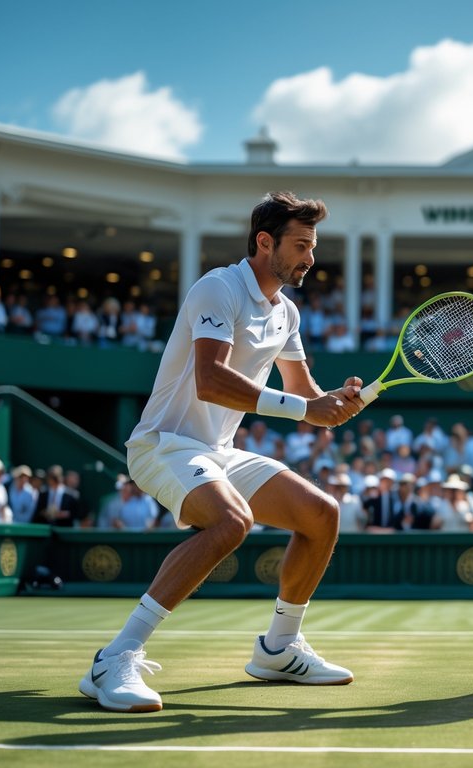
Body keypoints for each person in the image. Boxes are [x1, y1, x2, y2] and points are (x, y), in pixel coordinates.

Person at [81, 191, 365, 713]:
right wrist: (307, 411)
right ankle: (115, 657)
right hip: (161, 446)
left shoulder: (288, 313)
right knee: (232, 522)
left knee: (321, 514)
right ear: (264, 242)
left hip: (218, 450)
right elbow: (211, 381)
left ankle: (279, 649)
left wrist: (333, 401)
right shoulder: (218, 288)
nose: (310, 258)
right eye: (301, 245)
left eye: (312, 246)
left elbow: (303, 390)